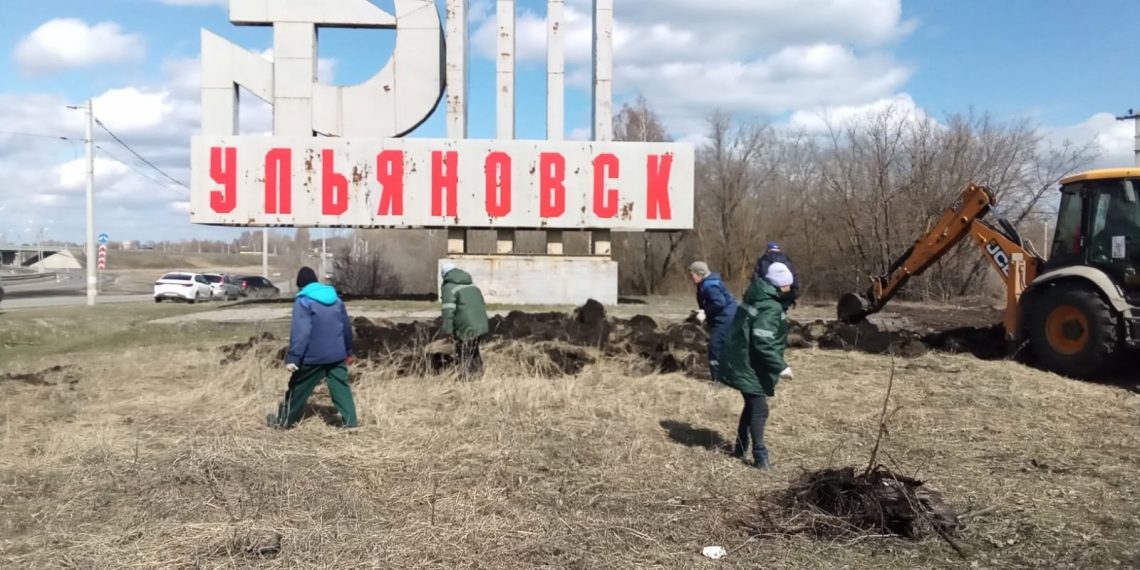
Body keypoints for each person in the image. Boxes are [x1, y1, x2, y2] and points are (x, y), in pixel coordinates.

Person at [717, 262, 795, 469]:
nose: (789, 288)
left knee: (751, 405)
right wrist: (781, 366)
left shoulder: (756, 294)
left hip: (741, 358)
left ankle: (740, 447)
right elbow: (763, 341)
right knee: (760, 410)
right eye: (787, 285)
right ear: (778, 285)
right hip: (750, 364)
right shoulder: (770, 306)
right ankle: (761, 458)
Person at [267, 266, 357, 429]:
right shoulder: (336, 300)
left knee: (297, 388)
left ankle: (283, 421)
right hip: (337, 355)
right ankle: (351, 422)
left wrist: (294, 357)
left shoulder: (303, 301)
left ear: (300, 285)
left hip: (313, 357)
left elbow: (301, 333)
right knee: (341, 388)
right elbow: (346, 328)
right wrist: (347, 351)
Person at [688, 261, 738, 381]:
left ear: (700, 274)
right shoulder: (705, 283)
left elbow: (719, 303)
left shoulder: (709, 286)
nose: (691, 277)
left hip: (726, 318)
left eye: (692, 275)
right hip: (723, 316)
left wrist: (705, 312)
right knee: (723, 346)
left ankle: (719, 380)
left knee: (715, 346)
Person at [440, 262, 489, 380]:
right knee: (474, 351)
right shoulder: (471, 285)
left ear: (444, 275)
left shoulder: (449, 287)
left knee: (463, 353)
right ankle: (479, 375)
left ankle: (467, 379)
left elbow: (448, 311)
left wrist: (448, 330)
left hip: (464, 325)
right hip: (480, 324)